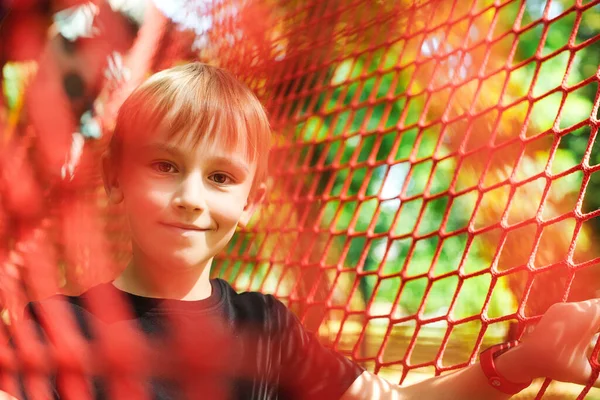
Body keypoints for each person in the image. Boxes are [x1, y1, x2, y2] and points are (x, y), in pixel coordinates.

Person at [1, 62, 600, 400]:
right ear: (115, 177)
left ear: (252, 201)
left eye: (220, 177)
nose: (190, 197)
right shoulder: (50, 331)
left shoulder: (266, 330)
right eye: (164, 166)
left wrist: (522, 362)